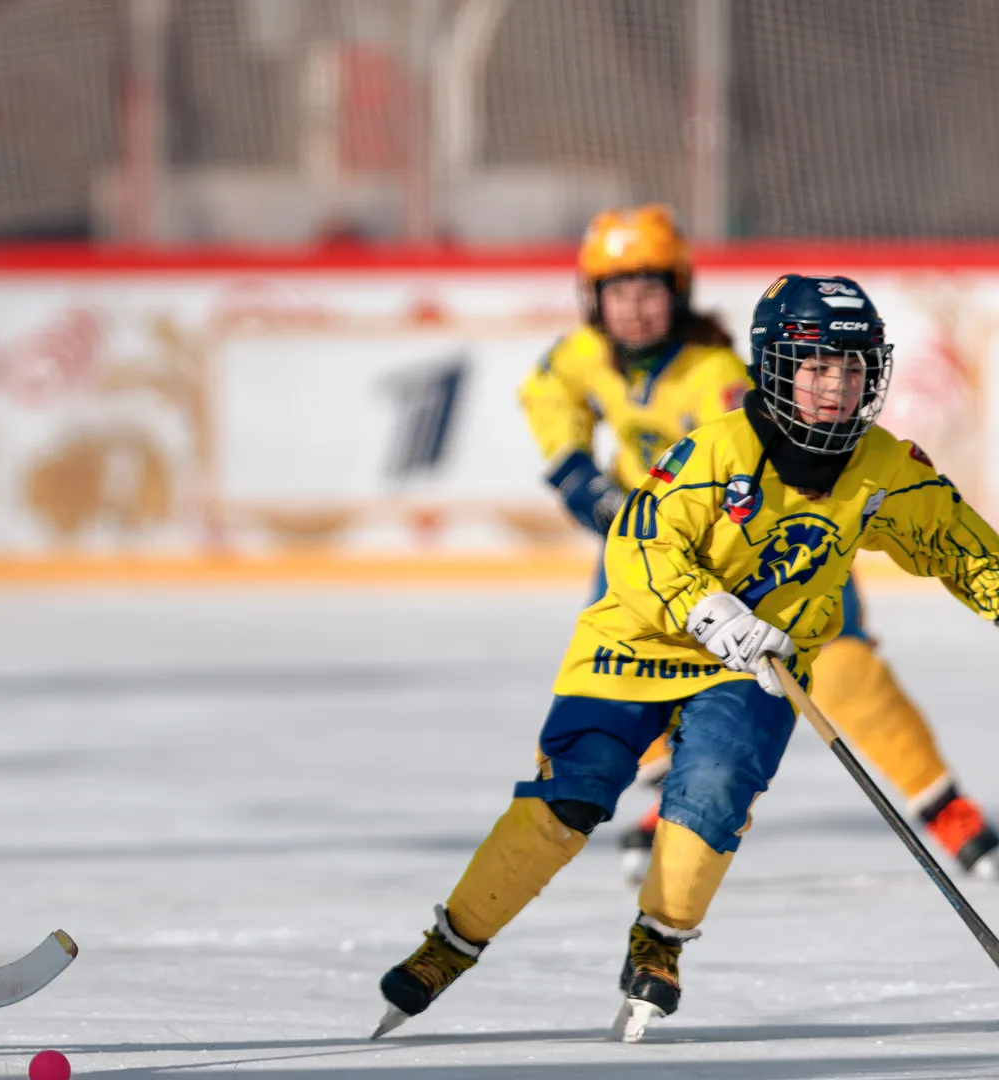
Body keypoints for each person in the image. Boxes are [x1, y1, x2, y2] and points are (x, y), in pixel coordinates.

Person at [377, 273, 999, 1042]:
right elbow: (639, 545)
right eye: (816, 367)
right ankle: (451, 942)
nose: (836, 387)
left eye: (852, 368)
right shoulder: (715, 451)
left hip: (754, 663)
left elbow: (961, 548)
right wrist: (707, 608)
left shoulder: (885, 469)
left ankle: (660, 941)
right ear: (777, 368)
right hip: (636, 643)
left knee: (715, 786)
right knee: (572, 795)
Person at [522, 206, 999, 884]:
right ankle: (670, 798)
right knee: (625, 659)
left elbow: (757, 460)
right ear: (592, 300)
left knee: (843, 668)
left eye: (649, 291)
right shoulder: (583, 355)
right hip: (661, 550)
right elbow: (548, 392)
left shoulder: (713, 374)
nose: (634, 310)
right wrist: (574, 468)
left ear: (679, 291)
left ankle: (947, 808)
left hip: (771, 545)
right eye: (618, 293)